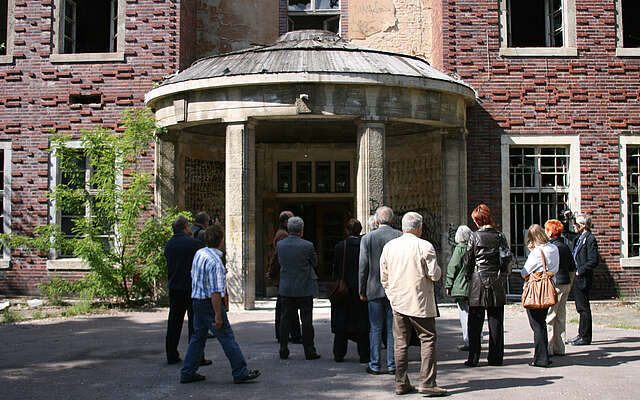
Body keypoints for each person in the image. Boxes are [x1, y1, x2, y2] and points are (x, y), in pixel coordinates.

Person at [180, 224, 260, 384]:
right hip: (209, 304)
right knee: (226, 337)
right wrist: (218, 315)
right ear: (221, 241)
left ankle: (188, 371)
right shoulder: (216, 262)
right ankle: (240, 371)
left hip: (197, 300)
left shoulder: (199, 253)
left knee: (198, 337)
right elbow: (216, 292)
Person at [380, 212, 446, 396]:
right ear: (419, 227)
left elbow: (383, 277)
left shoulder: (390, 246)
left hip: (398, 301)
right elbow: (435, 274)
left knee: (400, 342)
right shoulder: (425, 246)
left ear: (403, 227)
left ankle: (401, 382)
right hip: (420, 301)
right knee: (427, 339)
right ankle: (427, 382)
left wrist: (391, 294)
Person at [359, 206, 402, 375]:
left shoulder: (368, 238)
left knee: (375, 328)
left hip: (374, 288)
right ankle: (392, 365)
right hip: (395, 289)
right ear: (392, 220)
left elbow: (363, 267)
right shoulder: (399, 236)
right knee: (393, 329)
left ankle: (375, 364)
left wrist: (362, 289)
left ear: (377, 221)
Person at [464, 204, 508, 367]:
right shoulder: (500, 236)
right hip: (495, 278)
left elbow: (468, 260)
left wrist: (468, 276)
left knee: (475, 321)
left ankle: (473, 357)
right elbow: (506, 257)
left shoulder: (474, 236)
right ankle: (496, 357)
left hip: (477, 278)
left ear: (478, 220)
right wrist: (501, 272)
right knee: (495, 321)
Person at [164, 215, 210, 365]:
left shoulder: (169, 245)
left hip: (175, 287)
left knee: (174, 323)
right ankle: (196, 356)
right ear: (186, 228)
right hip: (191, 287)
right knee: (195, 324)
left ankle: (171, 355)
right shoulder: (194, 244)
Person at [277, 216, 321, 360]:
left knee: (285, 320)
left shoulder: (280, 245)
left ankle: (283, 349)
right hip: (304, 287)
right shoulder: (307, 245)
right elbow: (314, 263)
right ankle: (309, 350)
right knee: (307, 321)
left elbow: (279, 262)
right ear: (301, 230)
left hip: (286, 287)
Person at [331, 218, 370, 363]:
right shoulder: (365, 246)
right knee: (362, 322)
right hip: (361, 288)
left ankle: (339, 353)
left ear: (347, 230)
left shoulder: (340, 246)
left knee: (342, 322)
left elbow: (335, 267)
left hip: (344, 289)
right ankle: (364, 355)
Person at [521, 224, 559, 368]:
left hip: (536, 290)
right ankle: (544, 355)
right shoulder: (554, 248)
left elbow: (524, 271)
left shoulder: (537, 252)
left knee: (536, 324)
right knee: (542, 322)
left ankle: (541, 358)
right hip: (550, 286)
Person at [266, 210, 302, 344]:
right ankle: (290, 334)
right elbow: (278, 256)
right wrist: (271, 272)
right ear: (286, 222)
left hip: (283, 277)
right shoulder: (283, 236)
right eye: (292, 220)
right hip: (284, 277)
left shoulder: (282, 234)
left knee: (283, 306)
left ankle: (284, 334)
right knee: (288, 307)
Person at [544, 219, 576, 356]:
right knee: (561, 315)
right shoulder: (565, 246)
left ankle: (549, 347)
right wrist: (570, 283)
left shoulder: (550, 248)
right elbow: (572, 267)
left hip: (555, 283)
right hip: (565, 283)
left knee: (550, 316)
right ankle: (560, 347)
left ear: (550, 232)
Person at [569, 214, 599, 346]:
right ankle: (581, 334)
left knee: (584, 308)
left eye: (576, 224)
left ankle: (585, 336)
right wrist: (567, 219)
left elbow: (594, 260)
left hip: (583, 277)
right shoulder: (579, 238)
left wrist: (580, 270)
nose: (574, 226)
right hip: (577, 277)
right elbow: (566, 234)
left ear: (583, 226)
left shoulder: (590, 239)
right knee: (580, 308)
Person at [445, 225, 472, 351]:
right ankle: (476, 339)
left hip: (461, 287)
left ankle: (468, 341)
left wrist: (448, 284)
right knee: (475, 314)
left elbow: (453, 267)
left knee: (464, 315)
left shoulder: (459, 249)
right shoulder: (474, 248)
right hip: (474, 286)